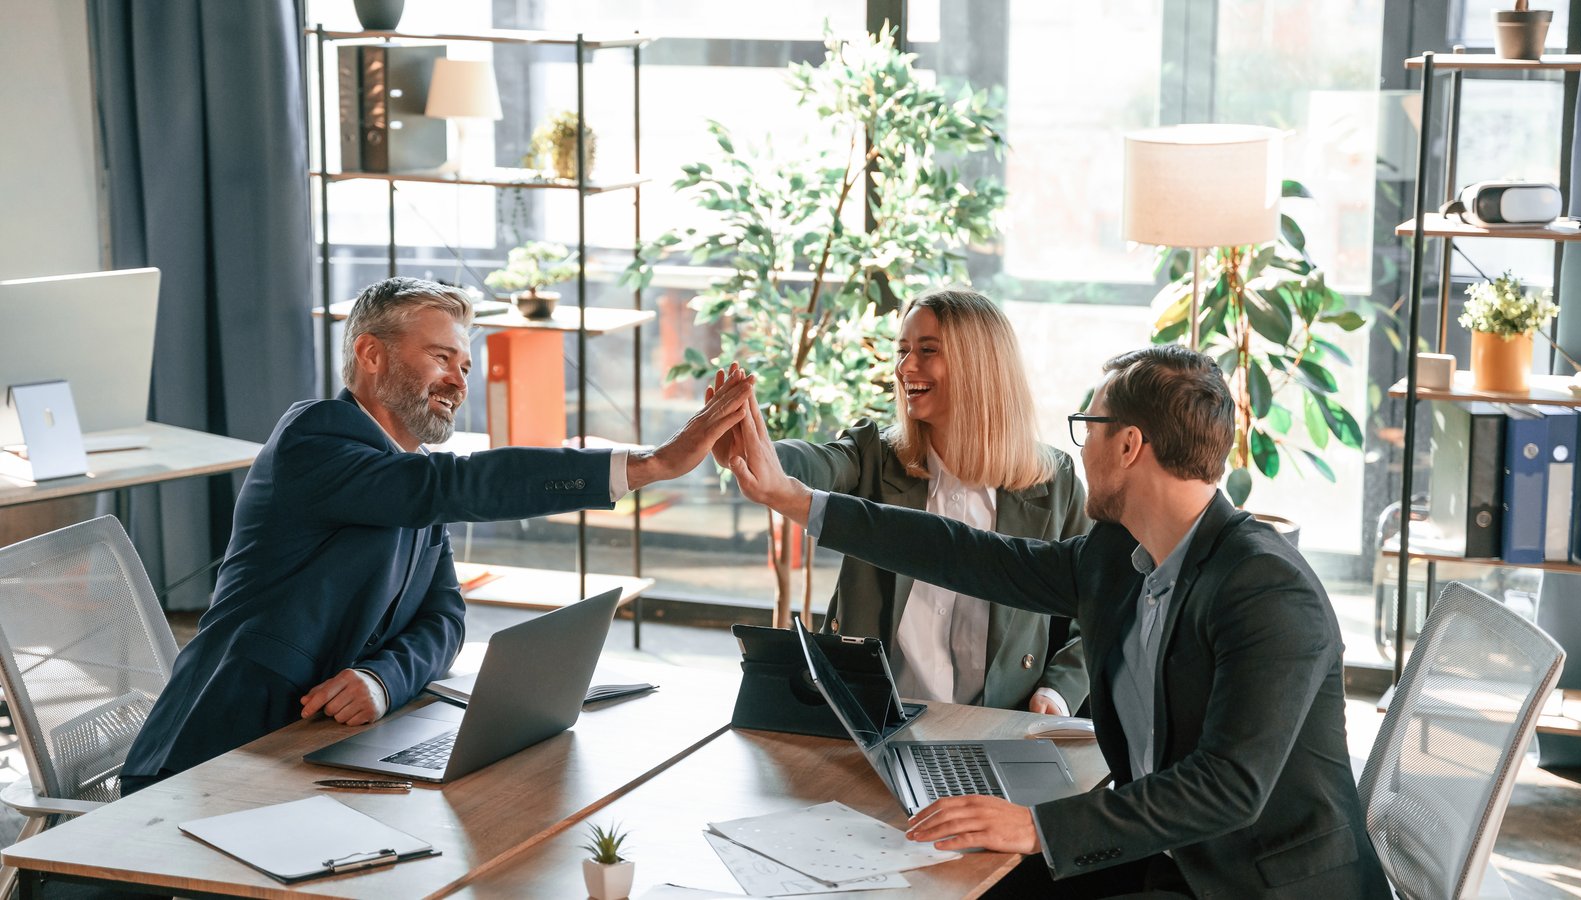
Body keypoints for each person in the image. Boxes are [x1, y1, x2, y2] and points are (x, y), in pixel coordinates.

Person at [722, 344, 1388, 898]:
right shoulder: (1121, 556)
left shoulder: (1266, 589)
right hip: (1163, 853)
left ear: (1128, 445)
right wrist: (798, 500)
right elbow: (972, 556)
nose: (1081, 446)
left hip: (1252, 882)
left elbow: (1227, 788)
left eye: (1088, 426)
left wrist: (1036, 827)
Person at [122, 277, 753, 790]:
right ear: (371, 355)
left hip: (315, 748)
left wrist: (382, 680)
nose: (459, 380)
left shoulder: (411, 472)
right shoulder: (315, 439)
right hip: (212, 755)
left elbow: (444, 619)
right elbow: (454, 485)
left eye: (465, 364)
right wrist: (650, 465)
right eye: (440, 357)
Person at [713, 289, 1091, 713]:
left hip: (999, 724)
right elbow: (820, 463)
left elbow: (1099, 605)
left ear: (980, 365)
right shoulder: (875, 453)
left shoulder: (1054, 480)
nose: (904, 367)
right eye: (903, 350)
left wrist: (1058, 689)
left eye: (927, 350)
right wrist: (759, 453)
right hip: (871, 720)